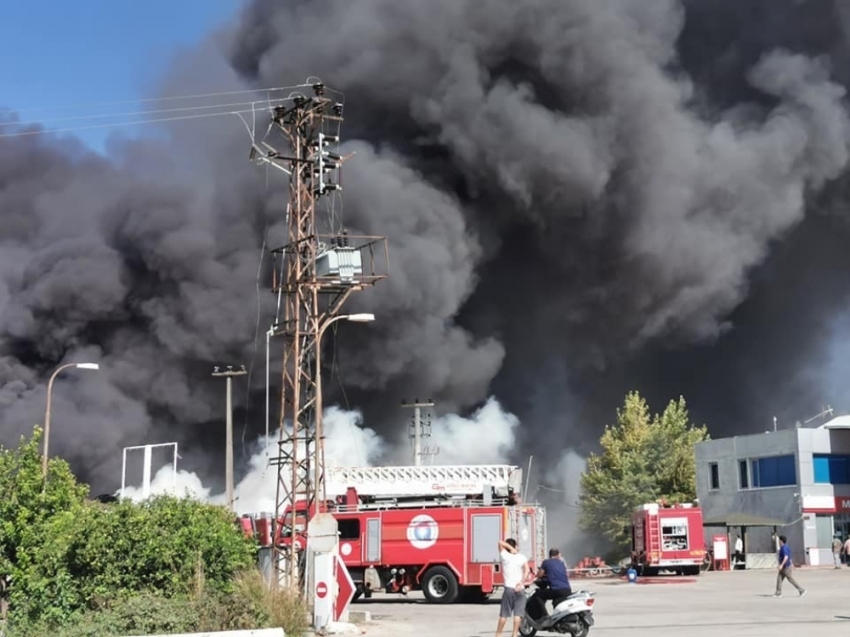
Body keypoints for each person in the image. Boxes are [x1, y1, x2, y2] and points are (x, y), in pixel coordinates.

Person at [496, 538, 530, 637]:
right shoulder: (522, 557)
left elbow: (499, 542)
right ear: (515, 546)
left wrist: (510, 548)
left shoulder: (504, 556)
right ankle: (514, 634)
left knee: (504, 614)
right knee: (518, 614)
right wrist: (521, 582)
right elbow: (526, 570)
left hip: (509, 588)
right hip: (520, 588)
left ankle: (498, 634)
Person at [528, 548, 573, 619]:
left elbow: (540, 575)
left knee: (537, 595)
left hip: (556, 590)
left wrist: (536, 576)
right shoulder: (561, 563)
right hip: (567, 589)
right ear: (558, 555)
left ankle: (544, 616)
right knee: (556, 602)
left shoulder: (546, 562)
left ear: (549, 555)